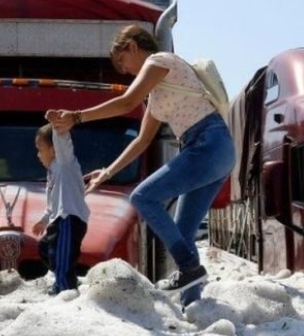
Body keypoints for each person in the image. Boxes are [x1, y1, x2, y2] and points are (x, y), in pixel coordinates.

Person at [45, 24, 234, 304]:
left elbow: (126, 102)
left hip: (207, 144)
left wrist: (76, 116)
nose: (127, 72)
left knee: (143, 197)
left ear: (133, 46)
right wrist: (108, 171)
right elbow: (142, 141)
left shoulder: (160, 61)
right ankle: (192, 305)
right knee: (182, 234)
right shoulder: (158, 96)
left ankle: (190, 268)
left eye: (123, 62)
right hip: (214, 151)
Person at [33, 123, 90, 295]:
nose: (38, 154)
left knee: (62, 257)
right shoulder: (51, 172)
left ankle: (64, 288)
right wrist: (43, 221)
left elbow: (63, 143)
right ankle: (67, 279)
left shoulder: (64, 164)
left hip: (69, 219)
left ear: (53, 149)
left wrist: (58, 127)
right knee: (45, 248)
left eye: (40, 149)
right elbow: (52, 203)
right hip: (57, 219)